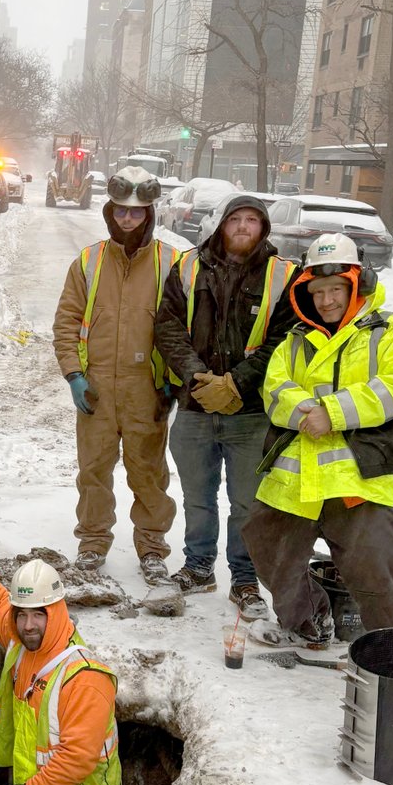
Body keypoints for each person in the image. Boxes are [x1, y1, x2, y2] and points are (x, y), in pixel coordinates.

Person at [242, 233, 393, 647]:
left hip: (358, 479)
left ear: (357, 284)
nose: (325, 301)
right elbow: (275, 392)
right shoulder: (295, 341)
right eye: (317, 291)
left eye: (335, 290)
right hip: (295, 481)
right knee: (267, 550)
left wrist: (332, 413)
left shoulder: (392, 331)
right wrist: (313, 413)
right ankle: (310, 621)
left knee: (377, 572)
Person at [154, 193, 298, 619]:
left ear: (263, 229)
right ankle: (199, 567)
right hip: (196, 407)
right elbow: (167, 326)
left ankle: (245, 577)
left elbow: (284, 339)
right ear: (222, 224)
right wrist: (200, 378)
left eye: (253, 220)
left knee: (247, 502)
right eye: (236, 218)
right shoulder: (187, 266)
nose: (243, 227)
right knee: (198, 496)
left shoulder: (284, 275)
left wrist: (236, 382)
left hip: (251, 412)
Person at [53, 166, 180, 584]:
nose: (128, 220)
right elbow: (67, 322)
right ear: (110, 213)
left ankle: (152, 547)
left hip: (146, 388)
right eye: (121, 212)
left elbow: (185, 326)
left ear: (149, 215)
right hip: (97, 391)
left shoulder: (170, 262)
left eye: (137, 213)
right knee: (93, 471)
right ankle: (92, 544)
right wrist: (74, 375)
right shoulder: (88, 261)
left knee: (148, 472)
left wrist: (171, 382)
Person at [0, 557, 121, 785]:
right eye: (21, 615)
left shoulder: (83, 677)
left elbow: (77, 760)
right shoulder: (21, 646)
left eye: (39, 614)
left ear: (58, 611)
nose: (28, 625)